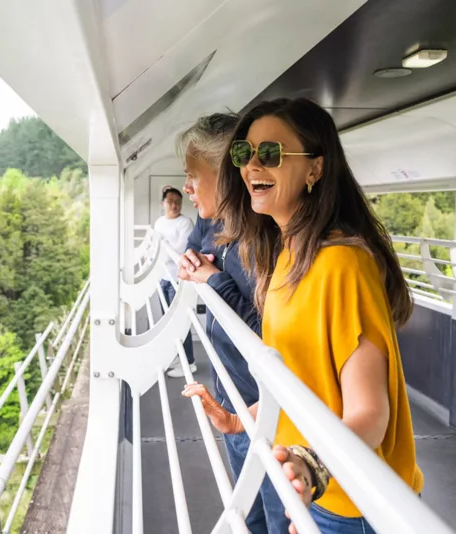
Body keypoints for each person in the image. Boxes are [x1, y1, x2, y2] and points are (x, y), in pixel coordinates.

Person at [184, 97, 422, 534]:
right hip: (317, 490)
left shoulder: (342, 264)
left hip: (352, 502)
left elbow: (371, 413)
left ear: (314, 168)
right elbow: (300, 382)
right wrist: (238, 418)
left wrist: (311, 468)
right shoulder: (287, 255)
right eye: (244, 153)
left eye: (270, 153)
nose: (252, 165)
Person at [175, 113, 286, 534]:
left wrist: (215, 280)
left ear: (226, 177)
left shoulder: (261, 244)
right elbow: (199, 253)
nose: (186, 188)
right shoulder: (222, 228)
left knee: (275, 519)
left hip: (266, 410)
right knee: (249, 516)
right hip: (236, 399)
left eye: (192, 177)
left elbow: (271, 333)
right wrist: (196, 265)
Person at [153, 185, 196, 376]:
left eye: (178, 202)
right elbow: (157, 248)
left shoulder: (185, 223)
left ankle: (190, 362)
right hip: (163, 277)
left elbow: (181, 250)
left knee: (179, 322)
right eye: (170, 201)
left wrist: (164, 249)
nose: (174, 205)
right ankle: (178, 357)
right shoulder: (159, 222)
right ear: (163, 203)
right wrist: (164, 251)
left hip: (178, 279)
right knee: (168, 322)